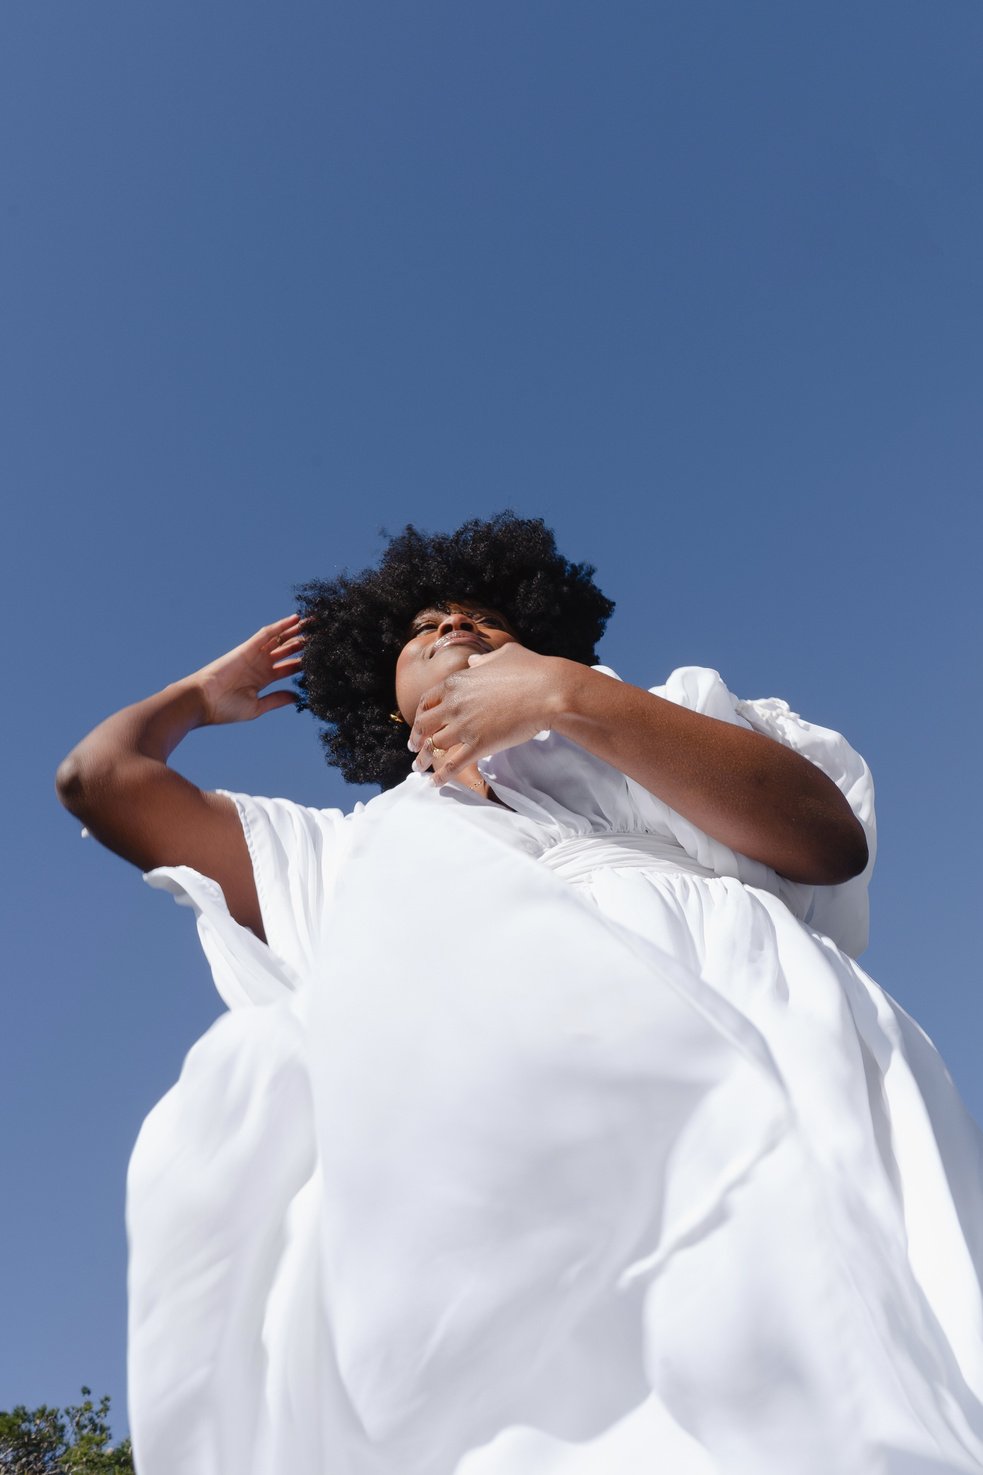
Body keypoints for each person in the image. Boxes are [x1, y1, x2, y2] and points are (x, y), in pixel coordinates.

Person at [56, 513, 983, 1475]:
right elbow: (101, 779)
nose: (456, 626)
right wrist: (198, 700)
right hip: (501, 1155)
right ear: (385, 704)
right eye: (425, 629)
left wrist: (566, 695)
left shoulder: (654, 713)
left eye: (485, 621)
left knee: (831, 1356)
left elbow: (824, 840)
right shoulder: (344, 850)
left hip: (769, 1045)